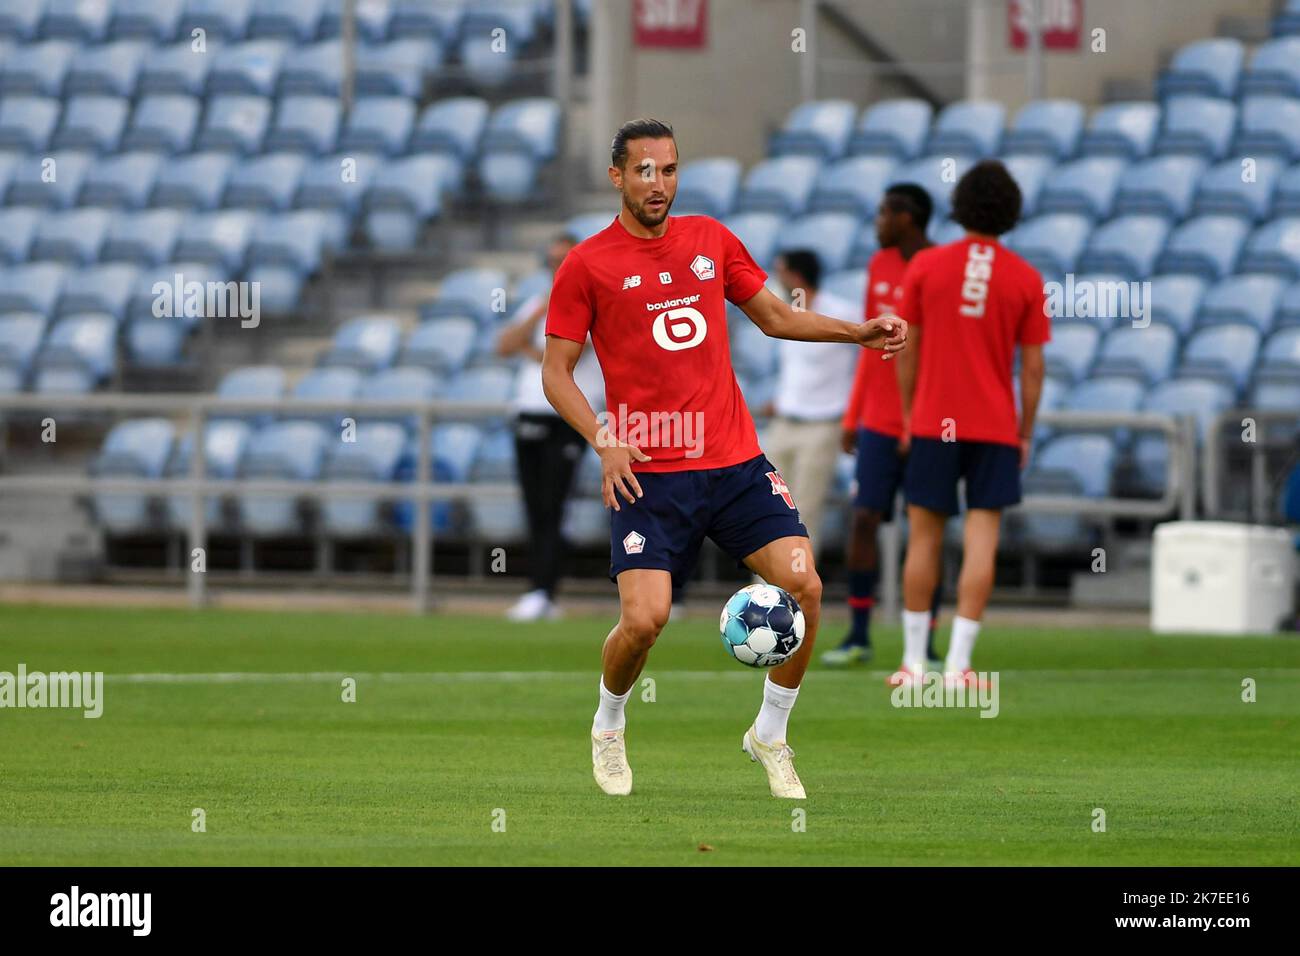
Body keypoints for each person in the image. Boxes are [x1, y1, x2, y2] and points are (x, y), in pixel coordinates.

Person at [541, 118, 907, 798]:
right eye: (645, 171)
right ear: (617, 176)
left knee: (806, 587)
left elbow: (774, 315)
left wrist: (856, 331)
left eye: (670, 169)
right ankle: (609, 725)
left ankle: (770, 733)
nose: (659, 183)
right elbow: (556, 372)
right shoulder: (587, 264)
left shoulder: (710, 239)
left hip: (734, 463)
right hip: (649, 472)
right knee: (645, 621)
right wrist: (603, 437)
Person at [892, 160, 1050, 687]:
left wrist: (911, 413)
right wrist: (1025, 430)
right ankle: (959, 666)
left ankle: (914, 665)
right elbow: (1031, 368)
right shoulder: (1026, 278)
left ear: (959, 207)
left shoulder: (926, 267)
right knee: (982, 541)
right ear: (1011, 212)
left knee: (923, 540)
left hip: (936, 422)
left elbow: (906, 347)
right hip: (994, 427)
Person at [823, 184, 943, 668]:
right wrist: (854, 413)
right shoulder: (879, 266)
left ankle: (928, 643)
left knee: (926, 529)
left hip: (928, 423)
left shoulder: (939, 267)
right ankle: (858, 635)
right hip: (877, 421)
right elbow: (872, 349)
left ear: (907, 217)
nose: (877, 221)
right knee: (864, 520)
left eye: (883, 213)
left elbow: (937, 351)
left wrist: (923, 418)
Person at [497, 235, 605, 621]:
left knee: (555, 505)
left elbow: (567, 356)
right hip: (529, 412)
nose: (556, 267)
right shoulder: (537, 303)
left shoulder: (589, 302)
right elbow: (505, 344)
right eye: (552, 259)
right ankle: (538, 589)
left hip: (566, 416)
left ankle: (546, 590)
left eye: (564, 260)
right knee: (534, 507)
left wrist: (535, 347)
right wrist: (541, 308)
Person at [761, 249, 860, 552]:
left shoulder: (842, 313)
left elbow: (866, 365)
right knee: (767, 506)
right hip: (784, 422)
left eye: (782, 272)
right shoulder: (786, 313)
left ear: (796, 276)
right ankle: (766, 591)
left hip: (822, 424)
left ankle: (797, 590)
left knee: (804, 511)